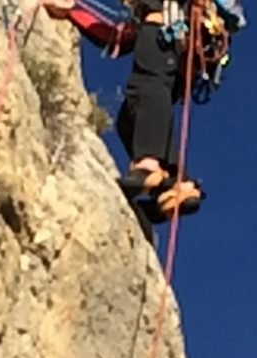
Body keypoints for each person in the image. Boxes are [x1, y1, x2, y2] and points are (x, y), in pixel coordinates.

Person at [40, 0, 245, 218]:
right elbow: (118, 38)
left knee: (147, 86)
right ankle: (175, 183)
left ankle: (148, 164)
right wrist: (73, 13)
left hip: (164, 34)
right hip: (180, 49)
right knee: (129, 119)